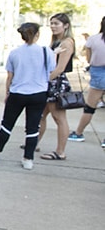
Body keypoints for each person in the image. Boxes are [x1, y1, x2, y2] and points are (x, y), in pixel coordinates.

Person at [0, 23, 55, 171]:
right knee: (33, 127)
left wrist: (7, 93)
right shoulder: (45, 51)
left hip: (17, 92)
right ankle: (28, 159)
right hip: (38, 93)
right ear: (37, 35)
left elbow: (10, 76)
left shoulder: (15, 53)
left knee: (7, 124)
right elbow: (50, 71)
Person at [38, 13, 76, 161]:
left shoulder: (66, 43)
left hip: (56, 83)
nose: (53, 26)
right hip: (51, 82)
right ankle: (34, 142)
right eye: (51, 23)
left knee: (59, 118)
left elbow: (60, 68)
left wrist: (44, 80)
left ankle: (60, 151)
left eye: (56, 23)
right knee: (41, 115)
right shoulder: (56, 41)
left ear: (66, 25)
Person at [68, 16, 105, 148]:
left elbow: (89, 59)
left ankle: (78, 133)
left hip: (98, 72)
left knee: (90, 107)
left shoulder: (93, 39)